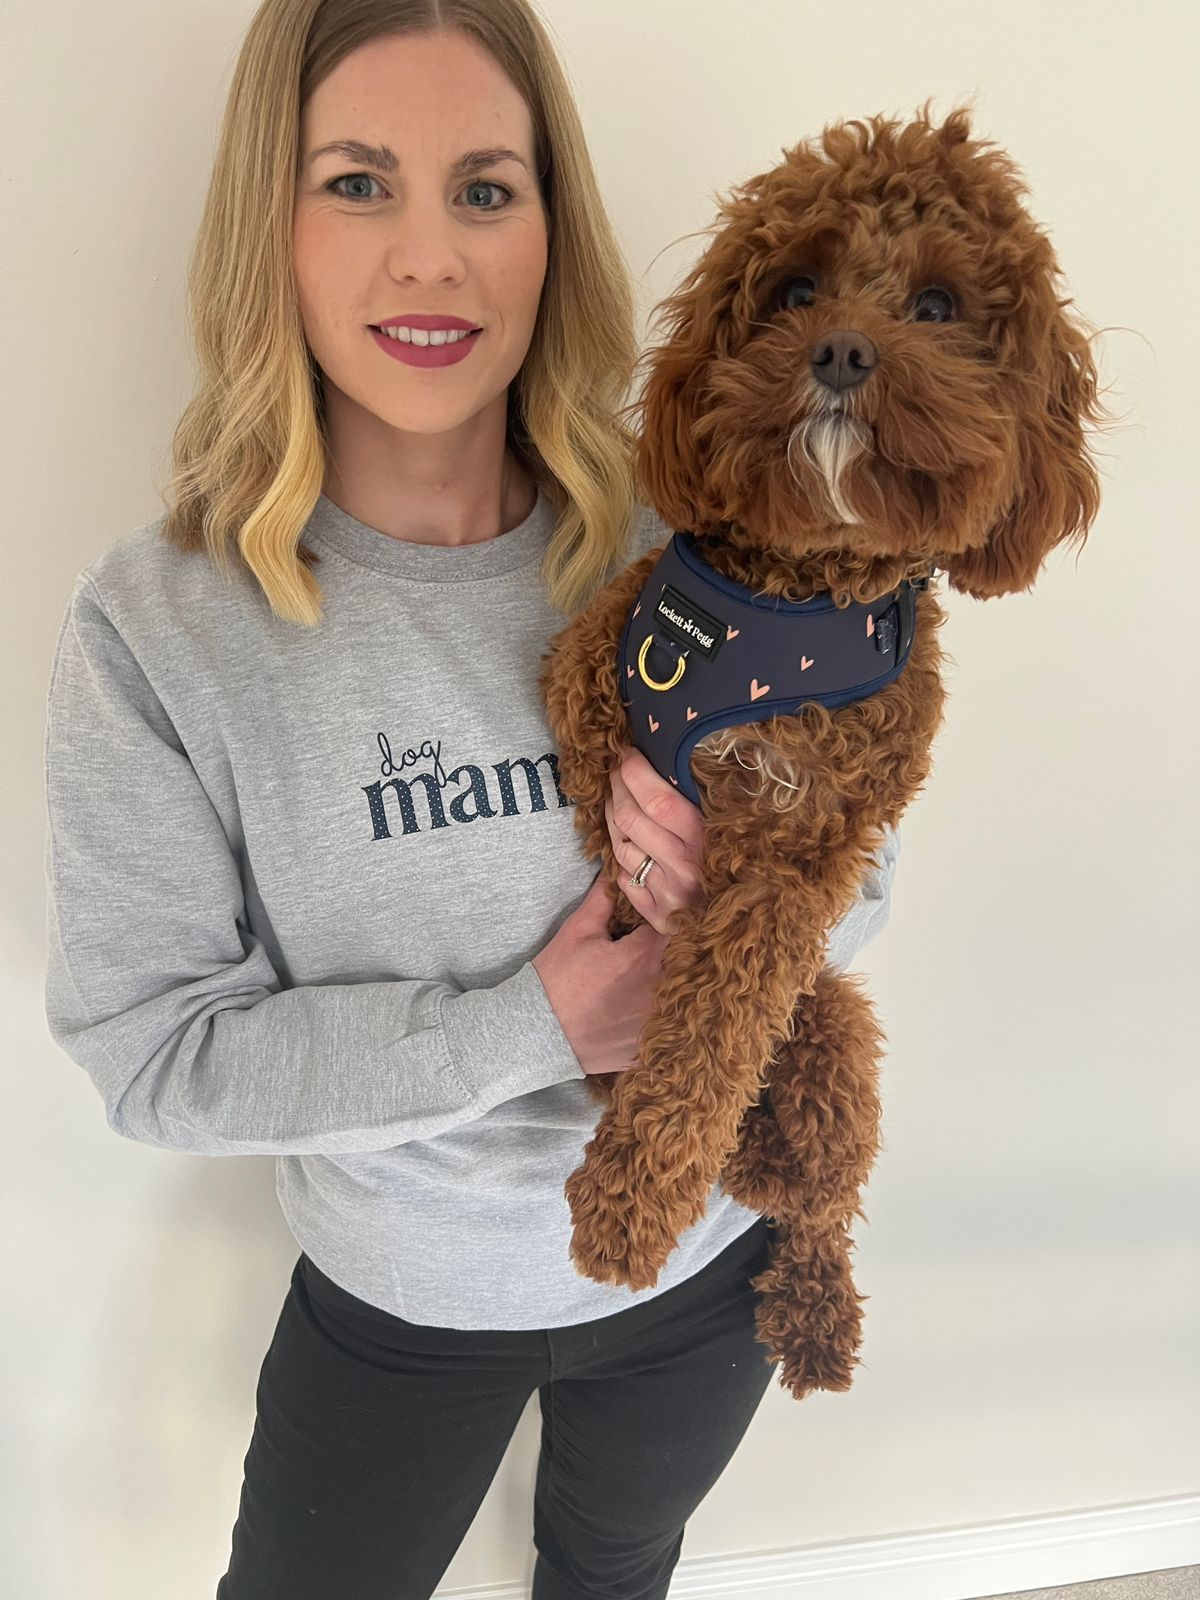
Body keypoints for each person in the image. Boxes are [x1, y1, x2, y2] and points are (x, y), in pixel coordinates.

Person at [41, 3, 900, 1597]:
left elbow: (871, 848)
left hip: (713, 1267)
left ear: (549, 236)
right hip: (402, 1310)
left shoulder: (693, 541)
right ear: (269, 228)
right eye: (359, 184)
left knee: (618, 1563)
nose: (428, 258)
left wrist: (748, 893)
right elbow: (155, 1058)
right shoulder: (162, 627)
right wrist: (539, 1025)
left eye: (486, 190)